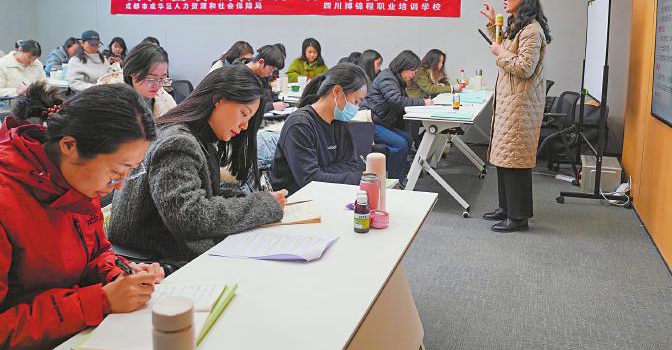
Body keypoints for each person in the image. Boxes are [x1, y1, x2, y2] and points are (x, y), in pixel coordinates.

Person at [0, 85, 164, 350]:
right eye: (115, 173)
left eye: (128, 173)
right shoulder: (8, 199)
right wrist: (98, 302)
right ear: (69, 146)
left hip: (72, 341)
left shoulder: (77, 181)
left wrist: (118, 273)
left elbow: (94, 254)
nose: (118, 186)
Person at [108, 66, 285, 266]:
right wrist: (262, 205)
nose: (245, 126)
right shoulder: (178, 142)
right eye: (244, 114)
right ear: (218, 100)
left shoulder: (193, 137)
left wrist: (254, 200)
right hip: (152, 263)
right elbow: (190, 216)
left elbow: (203, 196)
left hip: (159, 253)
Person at [479, 0, 551, 232]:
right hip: (511, 102)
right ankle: (506, 207)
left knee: (515, 159)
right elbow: (505, 46)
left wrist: (499, 54)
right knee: (505, 156)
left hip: (520, 106)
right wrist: (493, 24)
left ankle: (518, 217)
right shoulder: (519, 25)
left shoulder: (532, 30)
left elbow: (524, 67)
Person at [270, 63, 368, 195]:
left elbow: (351, 165)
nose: (357, 107)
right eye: (356, 101)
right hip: (294, 197)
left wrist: (322, 173)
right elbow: (309, 180)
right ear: (337, 91)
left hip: (327, 192)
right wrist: (360, 178)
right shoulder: (299, 125)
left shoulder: (339, 121)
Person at [361, 51, 432, 181]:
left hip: (380, 120)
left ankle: (399, 175)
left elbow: (400, 101)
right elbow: (396, 100)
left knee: (407, 139)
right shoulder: (387, 78)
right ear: (403, 66)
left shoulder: (396, 79)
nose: (413, 75)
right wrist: (423, 102)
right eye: (412, 71)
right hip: (370, 121)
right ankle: (393, 181)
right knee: (400, 144)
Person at [97, 42, 177, 119]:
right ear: (132, 72)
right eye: (151, 79)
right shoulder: (109, 99)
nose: (158, 85)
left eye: (162, 78)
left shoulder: (165, 100)